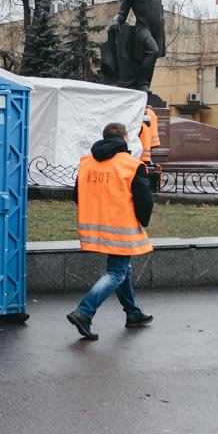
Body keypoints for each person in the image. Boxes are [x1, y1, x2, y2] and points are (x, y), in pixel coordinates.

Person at [66, 122, 155, 340]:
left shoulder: (87, 164)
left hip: (94, 226)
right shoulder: (132, 165)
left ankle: (133, 313)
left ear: (104, 138)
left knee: (122, 269)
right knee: (116, 272)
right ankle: (84, 312)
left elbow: (78, 195)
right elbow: (145, 200)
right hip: (122, 228)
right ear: (124, 139)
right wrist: (142, 221)